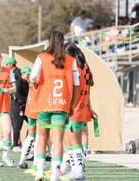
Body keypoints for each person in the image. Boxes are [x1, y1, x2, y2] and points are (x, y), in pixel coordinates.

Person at [30, 31, 80, 181]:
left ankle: (39, 171)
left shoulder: (41, 58)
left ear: (49, 42)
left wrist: (37, 86)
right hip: (62, 104)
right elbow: (76, 84)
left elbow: (32, 77)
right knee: (58, 140)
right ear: (63, 42)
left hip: (44, 103)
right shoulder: (71, 60)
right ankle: (55, 175)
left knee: (42, 138)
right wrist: (72, 104)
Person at [59, 42, 97, 180]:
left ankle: (78, 172)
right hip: (83, 108)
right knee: (76, 143)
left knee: (72, 143)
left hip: (74, 109)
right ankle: (70, 170)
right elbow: (87, 92)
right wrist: (90, 108)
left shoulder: (73, 67)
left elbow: (70, 90)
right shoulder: (85, 67)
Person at [11, 66, 30, 151]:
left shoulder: (27, 83)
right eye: (27, 74)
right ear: (22, 73)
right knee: (17, 126)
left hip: (25, 106)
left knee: (32, 123)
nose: (28, 76)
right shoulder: (19, 82)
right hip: (17, 106)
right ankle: (15, 144)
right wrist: (27, 100)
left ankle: (27, 142)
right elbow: (17, 94)